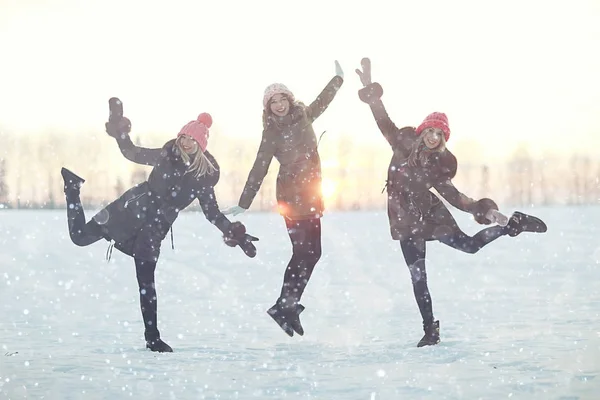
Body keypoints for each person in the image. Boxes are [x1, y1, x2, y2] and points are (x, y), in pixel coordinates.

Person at [355, 58, 547, 347]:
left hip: (430, 215)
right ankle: (430, 330)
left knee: (469, 246)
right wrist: (371, 91)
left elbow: (455, 197)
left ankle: (512, 224)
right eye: (431, 131)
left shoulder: (437, 166)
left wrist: (486, 210)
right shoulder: (401, 144)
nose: (434, 137)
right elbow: (383, 119)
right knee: (418, 278)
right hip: (404, 221)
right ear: (422, 130)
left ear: (443, 139)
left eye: (440, 134)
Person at [60, 102, 259, 352]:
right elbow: (131, 153)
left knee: (146, 281)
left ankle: (152, 338)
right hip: (130, 209)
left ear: (201, 144)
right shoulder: (167, 154)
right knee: (79, 237)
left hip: (156, 227)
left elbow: (212, 214)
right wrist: (120, 130)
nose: (185, 142)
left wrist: (236, 235)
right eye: (183, 136)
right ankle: (72, 188)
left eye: (191, 139)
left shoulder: (203, 178)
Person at [222, 61, 345, 337]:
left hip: (312, 195)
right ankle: (285, 306)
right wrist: (245, 201)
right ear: (268, 108)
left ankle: (286, 306)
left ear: (290, 100)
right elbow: (259, 167)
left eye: (282, 99)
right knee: (304, 252)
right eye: (272, 102)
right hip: (291, 197)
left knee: (312, 253)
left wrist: (338, 80)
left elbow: (322, 101)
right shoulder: (271, 134)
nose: (279, 105)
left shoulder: (304, 116)